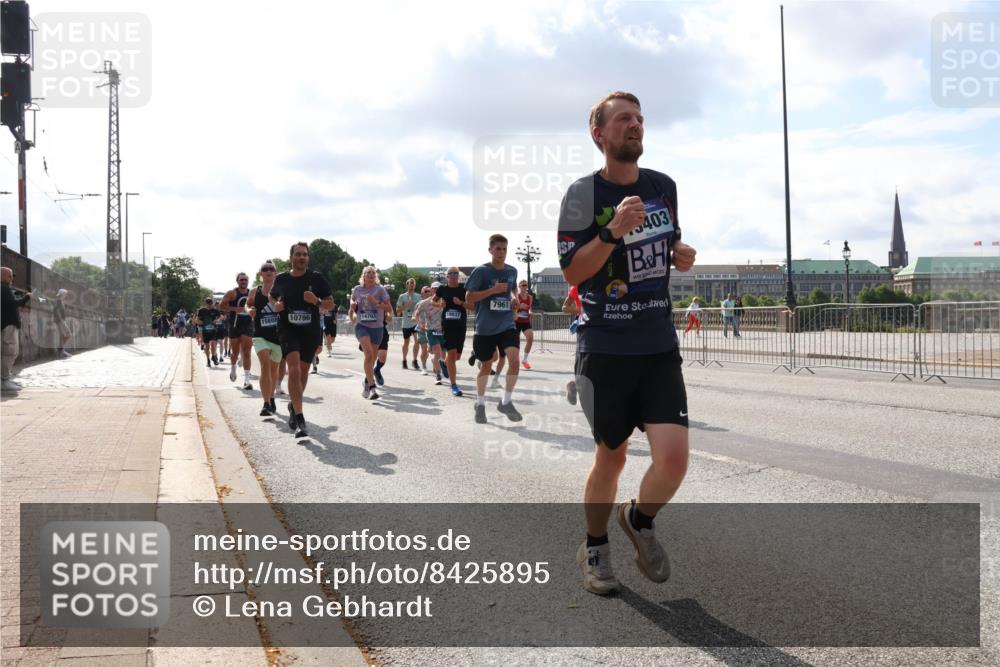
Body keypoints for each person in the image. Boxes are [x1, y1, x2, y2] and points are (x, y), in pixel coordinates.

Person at [558, 91, 697, 595]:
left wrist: (679, 252)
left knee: (674, 460)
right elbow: (573, 271)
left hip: (657, 342)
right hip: (605, 345)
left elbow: (668, 241)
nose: (635, 124)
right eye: (623, 118)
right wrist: (612, 230)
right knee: (612, 457)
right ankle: (595, 546)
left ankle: (638, 518)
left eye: (639, 117)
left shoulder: (663, 186)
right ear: (599, 134)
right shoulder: (582, 195)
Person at [270, 242, 334, 437]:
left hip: (310, 330)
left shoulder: (316, 278)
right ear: (291, 257)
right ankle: (300, 418)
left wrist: (316, 301)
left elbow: (330, 304)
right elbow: (272, 297)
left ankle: (293, 405)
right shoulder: (281, 279)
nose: (302, 257)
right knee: (294, 368)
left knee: (303, 373)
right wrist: (276, 305)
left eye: (305, 254)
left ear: (308, 258)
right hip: (287, 328)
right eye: (298, 254)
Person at [464, 234, 523, 424]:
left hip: (506, 324)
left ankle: (506, 402)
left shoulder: (512, 270)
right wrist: (492, 290)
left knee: (514, 361)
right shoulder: (481, 272)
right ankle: (480, 404)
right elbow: (469, 298)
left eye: (504, 249)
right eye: (498, 249)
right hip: (485, 327)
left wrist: (514, 298)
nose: (501, 252)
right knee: (486, 366)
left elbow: (512, 288)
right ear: (490, 249)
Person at [350, 266, 392, 400]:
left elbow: (389, 308)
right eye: (368, 272)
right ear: (364, 276)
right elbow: (352, 300)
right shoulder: (358, 289)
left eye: (373, 273)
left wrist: (377, 303)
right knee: (368, 355)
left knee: (372, 358)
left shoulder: (380, 290)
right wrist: (353, 306)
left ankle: (367, 383)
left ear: (376, 276)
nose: (371, 274)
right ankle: (373, 388)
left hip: (377, 327)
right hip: (362, 326)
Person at [248, 261, 282, 416]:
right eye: (265, 269)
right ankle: (266, 403)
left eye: (271, 269)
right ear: (260, 273)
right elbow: (248, 305)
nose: (268, 271)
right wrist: (249, 310)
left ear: (275, 273)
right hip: (260, 335)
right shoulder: (254, 291)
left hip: (278, 336)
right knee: (265, 366)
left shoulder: (281, 290)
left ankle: (272, 397)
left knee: (274, 371)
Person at [436, 267, 472, 397]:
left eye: (456, 273)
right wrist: (440, 304)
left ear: (459, 275)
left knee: (457, 357)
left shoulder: (464, 289)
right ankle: (454, 385)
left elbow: (473, 306)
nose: (454, 275)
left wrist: (461, 303)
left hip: (460, 325)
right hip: (447, 325)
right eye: (451, 273)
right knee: (451, 353)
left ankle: (444, 363)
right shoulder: (442, 289)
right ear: (447, 276)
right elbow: (433, 301)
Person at [1, 267, 32, 394]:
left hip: (6, 325)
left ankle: (5, 379)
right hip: (8, 326)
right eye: (9, 276)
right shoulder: (3, 288)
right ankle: (4, 381)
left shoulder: (4, 288)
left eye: (11, 276)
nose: (11, 279)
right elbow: (13, 304)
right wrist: (27, 297)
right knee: (10, 352)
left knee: (6, 352)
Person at [222, 273, 255, 390]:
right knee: (235, 352)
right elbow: (221, 306)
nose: (244, 281)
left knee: (247, 352)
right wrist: (236, 309)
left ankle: (247, 380)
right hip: (234, 325)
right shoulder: (232, 293)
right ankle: (233, 368)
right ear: (237, 281)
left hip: (248, 324)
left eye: (245, 280)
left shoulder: (252, 293)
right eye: (241, 280)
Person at [412, 283, 446, 386]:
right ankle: (438, 375)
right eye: (434, 289)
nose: (436, 290)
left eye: (438, 289)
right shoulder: (425, 302)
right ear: (431, 290)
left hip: (444, 331)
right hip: (431, 331)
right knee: (437, 353)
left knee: (442, 356)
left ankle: (435, 364)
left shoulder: (445, 300)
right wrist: (420, 324)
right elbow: (416, 314)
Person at [562, 284, 583, 404]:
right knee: (585, 361)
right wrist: (579, 310)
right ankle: (574, 385)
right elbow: (564, 307)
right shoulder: (576, 287)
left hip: (604, 326)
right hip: (585, 328)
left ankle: (574, 385)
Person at [396, 278, 421, 370]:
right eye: (410, 283)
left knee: (417, 341)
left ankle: (415, 360)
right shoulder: (402, 297)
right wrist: (405, 306)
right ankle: (404, 360)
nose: (412, 284)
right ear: (407, 285)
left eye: (413, 283)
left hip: (415, 322)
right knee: (406, 343)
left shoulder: (418, 296)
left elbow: (421, 308)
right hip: (406, 323)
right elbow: (398, 311)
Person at [195, 297, 221, 368]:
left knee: (213, 344)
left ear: (212, 303)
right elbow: (197, 320)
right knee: (207, 346)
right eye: (208, 304)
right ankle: (208, 359)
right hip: (205, 330)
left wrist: (217, 320)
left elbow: (220, 317)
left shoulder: (215, 310)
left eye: (211, 304)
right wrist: (201, 322)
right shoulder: (202, 310)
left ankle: (213, 356)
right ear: (206, 304)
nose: (210, 306)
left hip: (213, 330)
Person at [514, 280, 535, 369]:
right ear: (519, 286)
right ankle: (515, 360)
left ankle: (525, 359)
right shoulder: (516, 296)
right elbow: (512, 309)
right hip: (516, 321)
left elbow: (530, 308)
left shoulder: (530, 297)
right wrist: (519, 306)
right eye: (522, 285)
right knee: (516, 342)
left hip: (525, 321)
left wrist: (530, 311)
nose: (524, 286)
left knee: (530, 338)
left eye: (525, 285)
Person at [53, 289, 72, 358]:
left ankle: (61, 350)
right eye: (65, 294)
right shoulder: (58, 300)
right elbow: (57, 311)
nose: (65, 295)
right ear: (61, 294)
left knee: (65, 335)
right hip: (60, 320)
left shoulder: (60, 301)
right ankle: (61, 351)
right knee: (65, 334)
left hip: (61, 320)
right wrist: (62, 321)